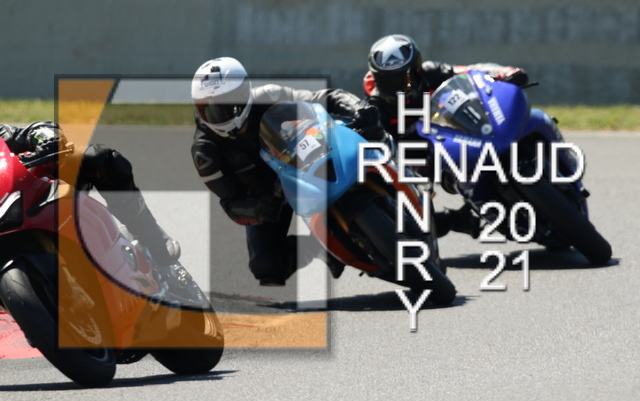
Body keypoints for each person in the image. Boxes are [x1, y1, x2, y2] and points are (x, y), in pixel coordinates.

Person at [190, 57, 385, 287]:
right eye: (210, 110)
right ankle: (319, 248)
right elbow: (230, 202)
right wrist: (258, 209)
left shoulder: (270, 95)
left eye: (228, 104)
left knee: (369, 135)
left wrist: (359, 107)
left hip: (305, 160)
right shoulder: (205, 153)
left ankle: (397, 175)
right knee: (266, 266)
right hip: (269, 195)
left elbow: (326, 97)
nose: (220, 115)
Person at [364, 34, 530, 238]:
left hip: (463, 131)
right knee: (420, 222)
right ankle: (461, 219)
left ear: (416, 70)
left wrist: (503, 73)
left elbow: (472, 73)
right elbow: (381, 153)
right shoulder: (375, 107)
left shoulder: (431, 72)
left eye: (402, 77)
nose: (397, 86)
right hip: (426, 161)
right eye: (387, 80)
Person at [0, 121, 181, 266]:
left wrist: (47, 137)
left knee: (98, 159)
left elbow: (29, 132)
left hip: (26, 207)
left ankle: (149, 234)